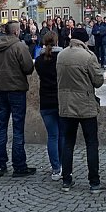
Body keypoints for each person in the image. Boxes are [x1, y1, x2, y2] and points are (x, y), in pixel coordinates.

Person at [57, 26, 105, 193]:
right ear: (84, 40)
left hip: (65, 105)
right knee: (91, 143)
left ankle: (67, 180)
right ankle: (94, 181)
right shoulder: (89, 57)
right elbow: (98, 81)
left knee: (68, 142)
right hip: (85, 104)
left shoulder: (61, 55)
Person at [0, 21, 36, 177]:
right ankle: (19, 165)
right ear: (16, 32)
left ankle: (0, 164)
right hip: (16, 89)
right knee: (17, 127)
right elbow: (28, 67)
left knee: (1, 126)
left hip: (1, 88)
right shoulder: (19, 46)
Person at [34, 31, 64, 180]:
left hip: (45, 100)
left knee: (52, 136)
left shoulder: (39, 60)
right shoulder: (62, 58)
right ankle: (64, 165)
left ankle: (55, 168)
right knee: (62, 135)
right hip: (60, 99)